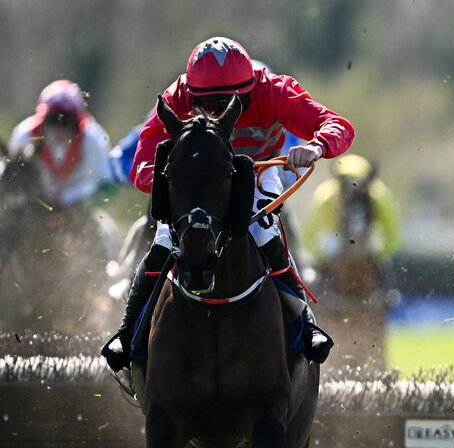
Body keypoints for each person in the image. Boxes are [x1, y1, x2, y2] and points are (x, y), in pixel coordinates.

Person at [101, 36, 355, 372]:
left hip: (256, 174)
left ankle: (305, 325)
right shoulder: (178, 96)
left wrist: (317, 146)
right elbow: (142, 159)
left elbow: (338, 126)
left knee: (265, 233)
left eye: (228, 103)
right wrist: (173, 181)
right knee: (164, 239)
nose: (218, 112)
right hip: (201, 188)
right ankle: (128, 329)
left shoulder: (276, 90)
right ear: (192, 94)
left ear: (250, 89)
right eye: (208, 103)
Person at [7, 79, 115, 209]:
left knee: (101, 229)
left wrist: (69, 200)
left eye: (66, 120)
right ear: (43, 118)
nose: (59, 127)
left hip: (79, 207)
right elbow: (10, 177)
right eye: (53, 118)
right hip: (33, 205)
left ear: (77, 120)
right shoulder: (25, 135)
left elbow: (105, 183)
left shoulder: (93, 138)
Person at [299, 153, 401, 281]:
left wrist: (319, 258)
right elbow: (393, 235)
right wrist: (383, 253)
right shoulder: (378, 192)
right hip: (348, 240)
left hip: (357, 240)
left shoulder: (327, 192)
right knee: (385, 272)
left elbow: (308, 235)